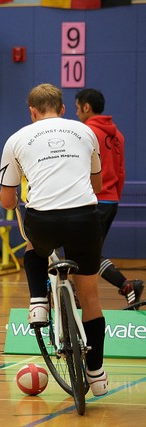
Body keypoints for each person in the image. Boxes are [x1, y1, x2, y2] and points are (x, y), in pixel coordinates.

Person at [0, 83, 108, 396]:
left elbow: (7, 201)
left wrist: (15, 197)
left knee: (33, 245)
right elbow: (97, 185)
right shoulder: (86, 132)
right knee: (90, 298)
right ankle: (97, 375)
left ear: (32, 112)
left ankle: (37, 301)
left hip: (43, 221)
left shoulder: (17, 139)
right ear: (62, 109)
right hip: (84, 219)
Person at [75, 88, 143, 308]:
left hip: (92, 201)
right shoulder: (118, 135)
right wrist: (113, 197)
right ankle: (80, 297)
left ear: (86, 107)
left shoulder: (86, 132)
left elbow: (80, 167)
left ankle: (126, 285)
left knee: (84, 252)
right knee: (88, 253)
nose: (77, 113)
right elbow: (121, 172)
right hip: (110, 201)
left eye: (77, 108)